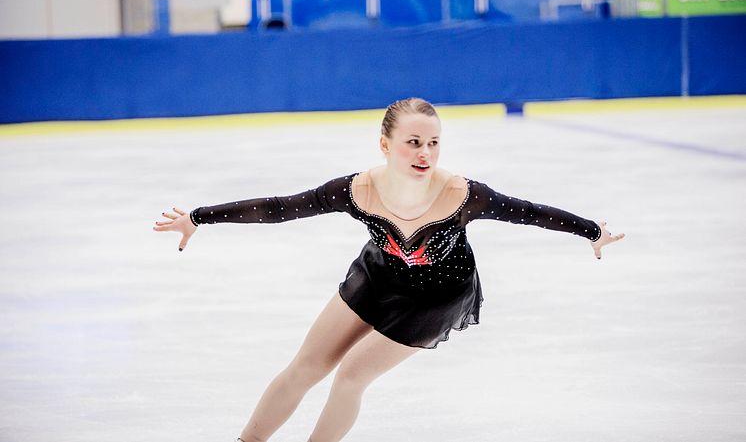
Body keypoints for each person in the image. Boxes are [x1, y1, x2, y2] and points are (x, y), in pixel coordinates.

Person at [153, 97, 624, 442]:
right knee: (305, 367)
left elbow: (529, 212)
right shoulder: (356, 190)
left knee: (350, 376)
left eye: (433, 143)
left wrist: (590, 231)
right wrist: (198, 217)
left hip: (437, 296)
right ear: (385, 144)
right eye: (413, 142)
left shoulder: (461, 194)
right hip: (377, 276)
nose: (425, 153)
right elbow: (280, 207)